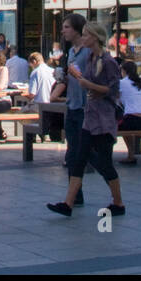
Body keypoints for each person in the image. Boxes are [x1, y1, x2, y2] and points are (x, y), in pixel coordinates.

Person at [47, 22, 125, 217]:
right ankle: (68, 203)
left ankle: (118, 203)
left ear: (95, 37)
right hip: (90, 117)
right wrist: (77, 76)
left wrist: (88, 84)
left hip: (103, 118)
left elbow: (114, 90)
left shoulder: (108, 62)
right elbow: (88, 82)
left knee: (104, 163)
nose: (83, 38)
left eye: (86, 35)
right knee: (79, 158)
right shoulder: (90, 58)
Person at [59, 13, 90, 206]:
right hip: (72, 105)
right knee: (72, 153)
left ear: (78, 29)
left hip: (86, 108)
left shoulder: (88, 52)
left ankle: (115, 193)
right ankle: (75, 197)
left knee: (90, 154)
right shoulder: (71, 52)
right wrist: (63, 77)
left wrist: (74, 74)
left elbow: (90, 78)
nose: (63, 31)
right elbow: (73, 78)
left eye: (67, 27)